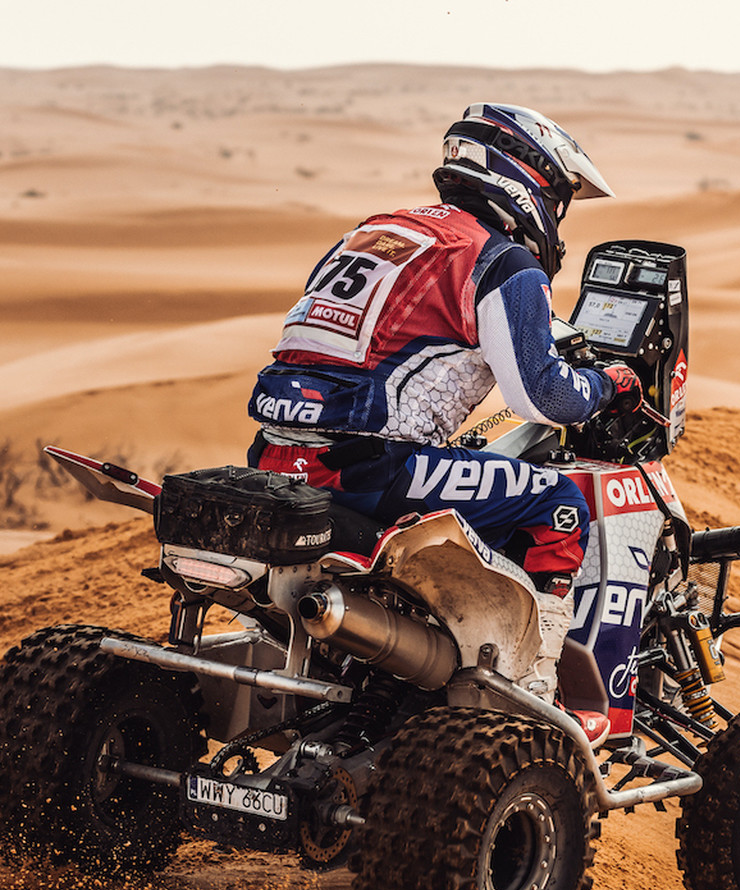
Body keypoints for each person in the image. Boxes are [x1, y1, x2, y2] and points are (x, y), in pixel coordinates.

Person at [246, 102, 644, 696]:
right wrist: (608, 384)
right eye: (558, 201)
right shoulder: (500, 261)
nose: (556, 219)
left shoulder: (375, 233)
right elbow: (545, 397)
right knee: (559, 505)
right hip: (367, 467)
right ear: (528, 181)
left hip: (275, 455)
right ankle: (532, 689)